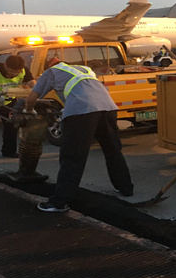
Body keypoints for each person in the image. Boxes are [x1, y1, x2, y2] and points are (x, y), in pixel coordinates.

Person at [24, 61, 134, 213]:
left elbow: (31, 99)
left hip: (82, 112)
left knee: (72, 157)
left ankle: (59, 202)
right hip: (108, 108)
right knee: (113, 150)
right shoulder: (84, 69)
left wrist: (29, 111)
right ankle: (125, 188)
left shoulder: (51, 72)